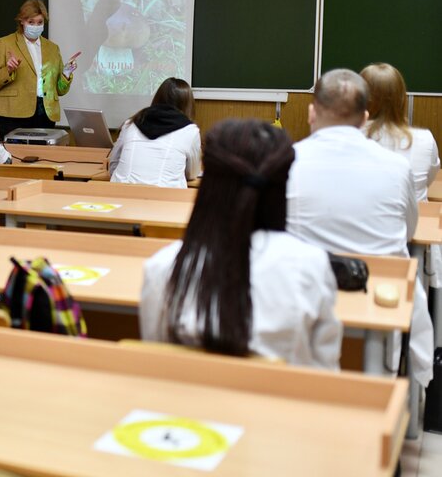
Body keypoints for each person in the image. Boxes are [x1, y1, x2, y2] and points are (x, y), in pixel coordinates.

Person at [140, 119, 341, 368]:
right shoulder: (309, 268)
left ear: (209, 182)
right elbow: (324, 373)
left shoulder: (161, 267)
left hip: (182, 406)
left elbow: (156, 364)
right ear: (282, 186)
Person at [286, 68, 433, 385]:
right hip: (379, 297)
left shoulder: (287, 160)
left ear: (312, 112)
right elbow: (407, 232)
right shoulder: (397, 167)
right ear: (363, 116)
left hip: (302, 298)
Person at [0, 0, 78, 141]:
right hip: (13, 114)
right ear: (22, 21)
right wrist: (8, 70)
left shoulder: (53, 48)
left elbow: (60, 90)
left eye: (40, 22)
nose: (36, 26)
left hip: (45, 113)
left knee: (43, 158)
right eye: (31, 22)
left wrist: (66, 73)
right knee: (15, 158)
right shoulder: (5, 43)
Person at [360, 63, 440, 202]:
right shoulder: (424, 139)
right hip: (417, 221)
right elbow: (427, 179)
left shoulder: (345, 138)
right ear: (401, 98)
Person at [108, 77, 201, 187]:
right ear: (188, 105)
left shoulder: (131, 123)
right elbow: (192, 174)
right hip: (165, 197)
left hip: (119, 194)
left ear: (157, 99)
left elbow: (113, 164)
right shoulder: (190, 131)